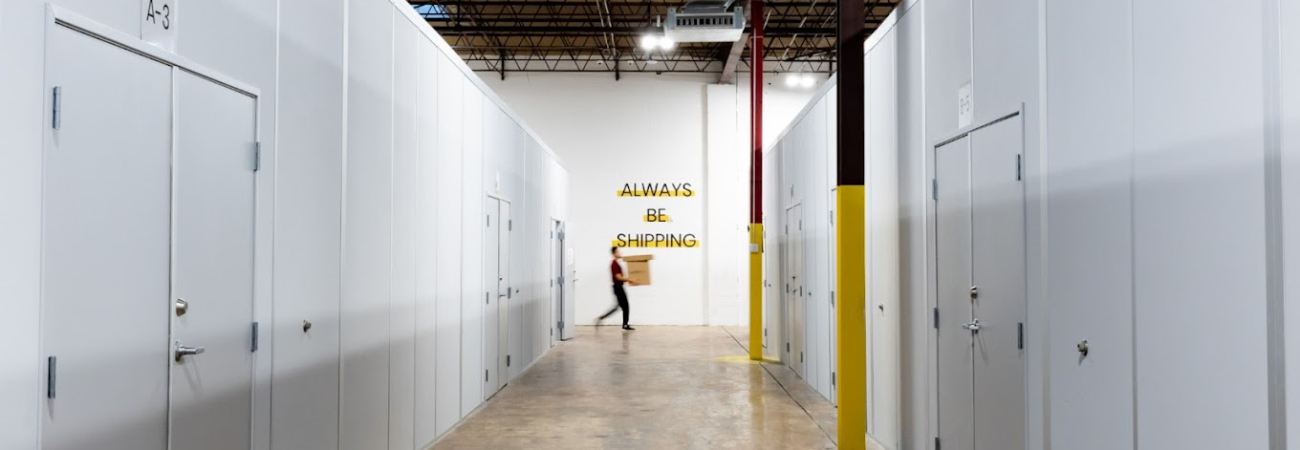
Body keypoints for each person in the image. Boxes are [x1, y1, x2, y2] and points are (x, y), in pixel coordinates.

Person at [597, 246, 637, 330]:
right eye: (618, 252)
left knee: (618, 307)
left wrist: (630, 280)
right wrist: (630, 279)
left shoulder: (616, 264)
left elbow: (620, 277)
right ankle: (625, 325)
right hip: (618, 287)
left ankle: (602, 317)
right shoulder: (614, 264)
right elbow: (618, 277)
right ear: (614, 253)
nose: (620, 253)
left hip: (618, 287)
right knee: (625, 306)